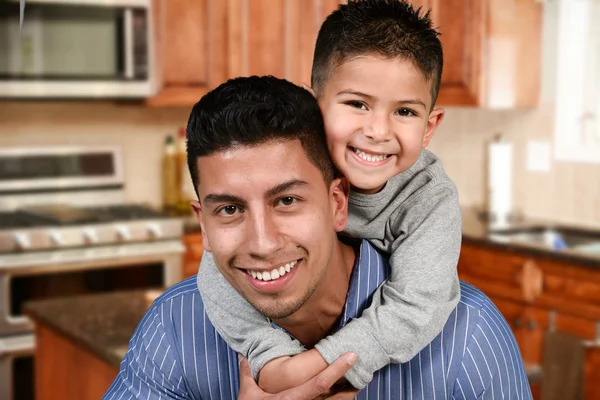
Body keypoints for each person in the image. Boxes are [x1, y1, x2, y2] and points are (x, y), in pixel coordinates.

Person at [102, 75, 532, 399]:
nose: (262, 243)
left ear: (338, 203)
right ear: (204, 225)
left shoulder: (469, 336)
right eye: (229, 210)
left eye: (287, 200)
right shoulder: (175, 325)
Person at [197, 0, 463, 391]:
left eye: (404, 112)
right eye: (357, 104)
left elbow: (418, 305)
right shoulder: (293, 172)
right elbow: (221, 262)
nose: (378, 131)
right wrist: (268, 356)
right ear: (315, 105)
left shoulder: (428, 197)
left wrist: (323, 367)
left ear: (429, 126)